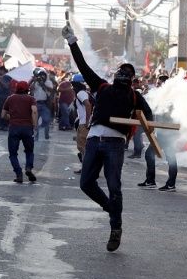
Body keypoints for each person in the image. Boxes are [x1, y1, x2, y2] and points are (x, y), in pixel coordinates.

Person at [62, 21, 153, 252]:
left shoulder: (135, 97)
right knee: (86, 183)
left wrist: (146, 124)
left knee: (114, 187)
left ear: (131, 79)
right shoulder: (101, 87)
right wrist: (72, 41)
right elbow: (82, 66)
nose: (123, 74)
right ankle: (110, 208)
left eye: (127, 73)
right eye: (121, 71)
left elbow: (148, 118)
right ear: (116, 74)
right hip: (94, 140)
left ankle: (115, 228)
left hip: (114, 143)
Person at [138, 75, 178, 191]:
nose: (156, 85)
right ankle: (153, 181)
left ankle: (168, 184)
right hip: (162, 133)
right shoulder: (162, 97)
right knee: (154, 155)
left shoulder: (170, 99)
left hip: (168, 134)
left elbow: (169, 115)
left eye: (159, 83)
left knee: (167, 157)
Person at [1, 81, 38, 183]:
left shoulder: (10, 98)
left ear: (16, 88)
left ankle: (19, 174)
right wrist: (34, 125)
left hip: (14, 128)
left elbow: (3, 115)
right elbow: (34, 111)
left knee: (13, 153)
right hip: (27, 128)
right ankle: (29, 168)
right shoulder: (31, 99)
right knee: (29, 151)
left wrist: (12, 118)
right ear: (27, 89)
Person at [71, 80, 92, 174]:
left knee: (84, 148)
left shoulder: (81, 93)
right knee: (83, 148)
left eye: (72, 87)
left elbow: (88, 105)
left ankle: (87, 169)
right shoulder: (83, 93)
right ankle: (86, 168)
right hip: (83, 123)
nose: (71, 89)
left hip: (84, 124)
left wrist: (87, 121)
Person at [29, 68, 53, 140]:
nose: (42, 77)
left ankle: (46, 135)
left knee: (46, 120)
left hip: (45, 104)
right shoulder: (36, 82)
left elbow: (51, 90)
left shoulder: (48, 82)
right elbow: (30, 89)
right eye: (40, 76)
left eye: (43, 76)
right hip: (35, 104)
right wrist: (34, 80)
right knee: (34, 121)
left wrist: (43, 84)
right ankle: (36, 136)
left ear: (45, 76)